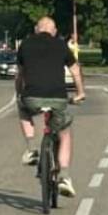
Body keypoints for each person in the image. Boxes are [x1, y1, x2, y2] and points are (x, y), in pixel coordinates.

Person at [15, 16, 85, 197]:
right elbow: (75, 70)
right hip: (58, 97)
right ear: (53, 32)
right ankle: (65, 177)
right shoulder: (61, 45)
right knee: (64, 132)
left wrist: (19, 94)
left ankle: (31, 149)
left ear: (37, 29)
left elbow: (20, 75)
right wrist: (80, 92)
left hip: (32, 97)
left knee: (23, 108)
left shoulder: (26, 44)